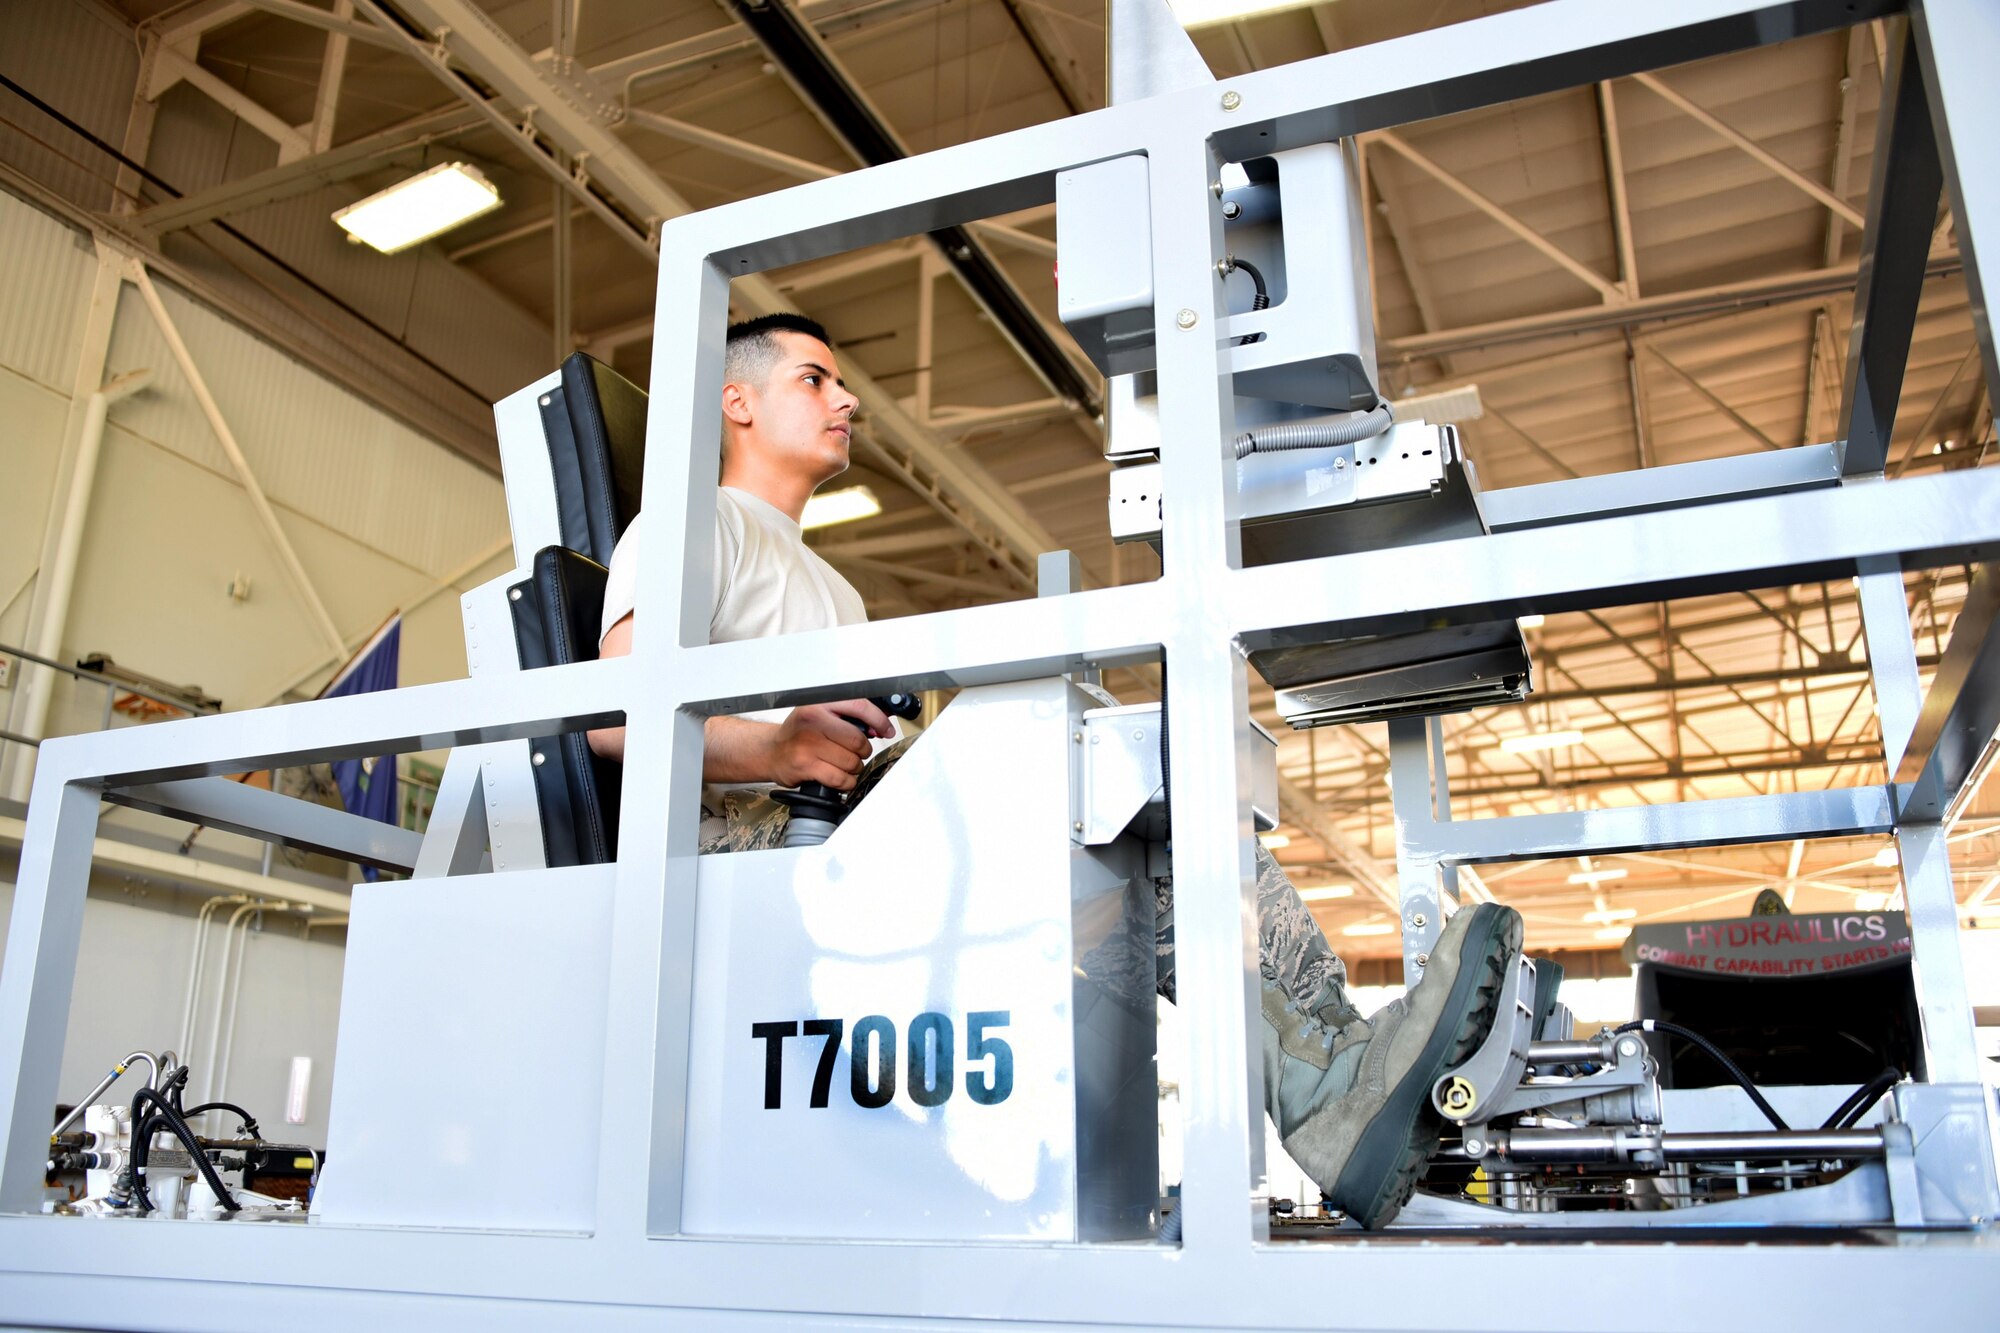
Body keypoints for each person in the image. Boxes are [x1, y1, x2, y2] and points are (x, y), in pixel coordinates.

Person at [588, 312, 1524, 1228]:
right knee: (1069, 769)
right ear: (736, 401)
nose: (846, 401)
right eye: (814, 379)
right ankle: (1332, 1087)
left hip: (842, 830)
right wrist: (781, 747)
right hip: (746, 845)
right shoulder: (694, 523)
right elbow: (610, 718)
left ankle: (1335, 1076)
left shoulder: (836, 588)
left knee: (1144, 826)